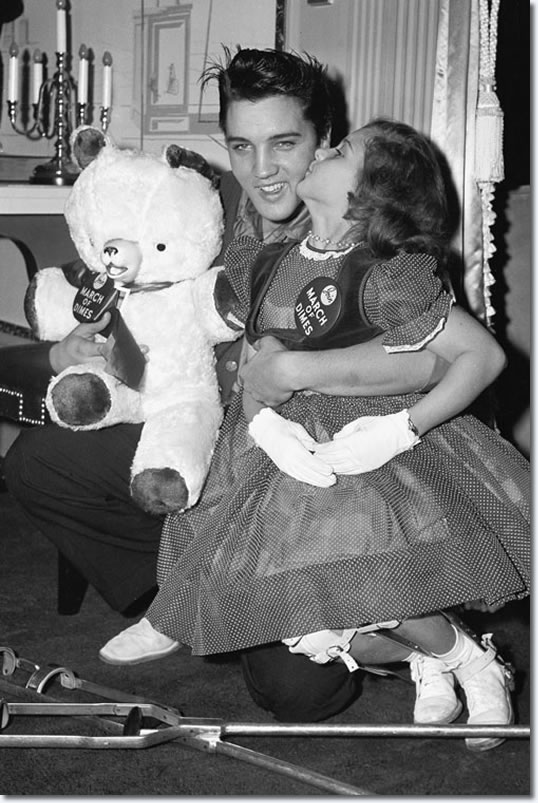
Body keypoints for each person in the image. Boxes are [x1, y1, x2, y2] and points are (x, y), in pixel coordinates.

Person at [0, 48, 474, 724]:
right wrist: (84, 348)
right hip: (211, 443)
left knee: (297, 695)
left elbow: (439, 360)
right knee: (39, 465)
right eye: (243, 146)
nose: (263, 170)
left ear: (326, 141)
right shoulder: (206, 209)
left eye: (285, 143)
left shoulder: (369, 227)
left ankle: (415, 630)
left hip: (320, 487)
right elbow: (143, 299)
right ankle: (182, 593)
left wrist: (301, 370)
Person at [101, 118, 530, 752]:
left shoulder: (389, 269)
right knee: (310, 620)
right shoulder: (276, 257)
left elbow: (482, 359)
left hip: (366, 452)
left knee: (375, 586)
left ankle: (467, 660)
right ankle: (450, 654)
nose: (322, 153)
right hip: (280, 454)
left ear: (368, 192)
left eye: (342, 150)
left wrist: (401, 430)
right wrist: (262, 420)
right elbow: (256, 361)